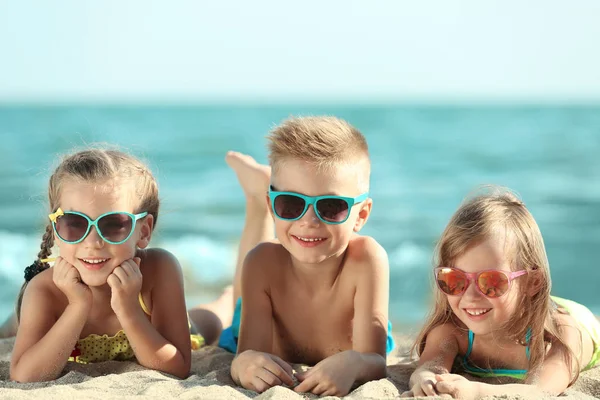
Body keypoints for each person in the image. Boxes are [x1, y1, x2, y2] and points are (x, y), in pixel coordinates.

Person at [7, 148, 229, 382]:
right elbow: (24, 376)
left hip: (178, 329)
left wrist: (128, 307)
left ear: (143, 231)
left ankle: (230, 294)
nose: (93, 243)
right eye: (75, 223)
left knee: (212, 321)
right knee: (13, 325)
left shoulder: (159, 270)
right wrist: (77, 305)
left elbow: (177, 368)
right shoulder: (46, 290)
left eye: (113, 224)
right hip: (41, 306)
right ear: (56, 228)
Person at [227, 116, 394, 397]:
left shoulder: (367, 260)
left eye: (330, 206)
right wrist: (243, 364)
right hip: (258, 309)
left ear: (361, 215)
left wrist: (354, 362)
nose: (309, 221)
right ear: (274, 205)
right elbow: (244, 355)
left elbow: (375, 361)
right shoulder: (262, 263)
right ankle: (256, 199)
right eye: (290, 203)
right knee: (223, 310)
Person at [403, 187, 600, 399]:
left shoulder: (558, 335)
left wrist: (476, 391)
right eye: (454, 280)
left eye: (491, 282)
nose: (470, 296)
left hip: (571, 318)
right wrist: (428, 382)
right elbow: (428, 369)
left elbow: (542, 391)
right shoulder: (452, 332)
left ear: (532, 282)